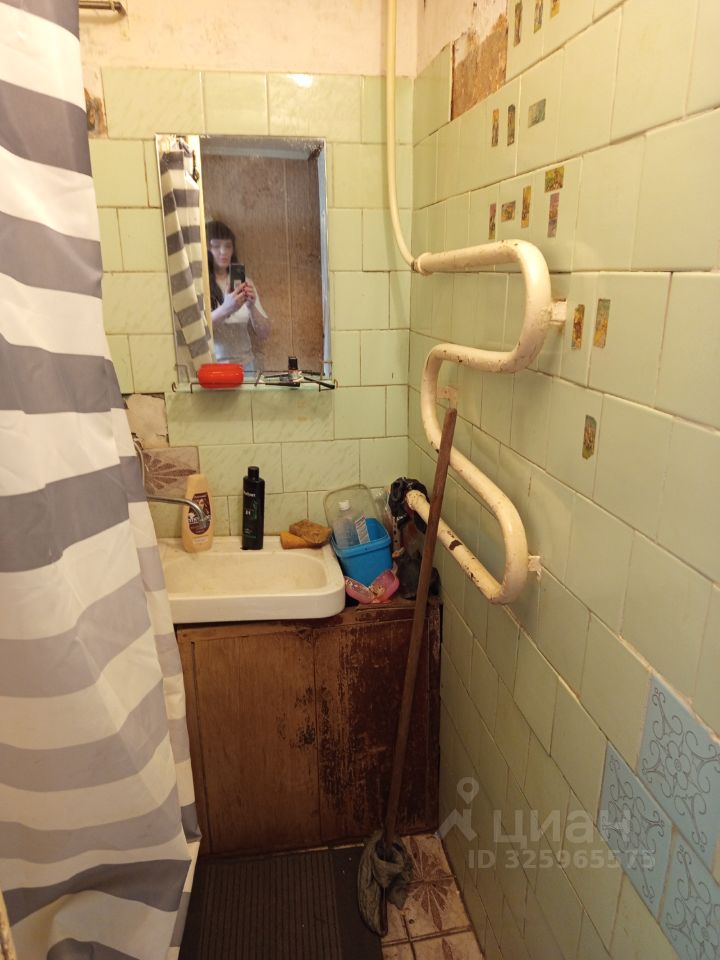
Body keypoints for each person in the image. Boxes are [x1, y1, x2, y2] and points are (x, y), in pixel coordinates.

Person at [206, 219, 271, 373]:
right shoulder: (201, 285)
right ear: (206, 248)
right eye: (216, 246)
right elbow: (199, 331)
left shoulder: (245, 283)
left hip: (246, 367)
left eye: (228, 246)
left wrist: (252, 307)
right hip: (214, 368)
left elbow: (264, 333)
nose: (223, 251)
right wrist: (227, 308)